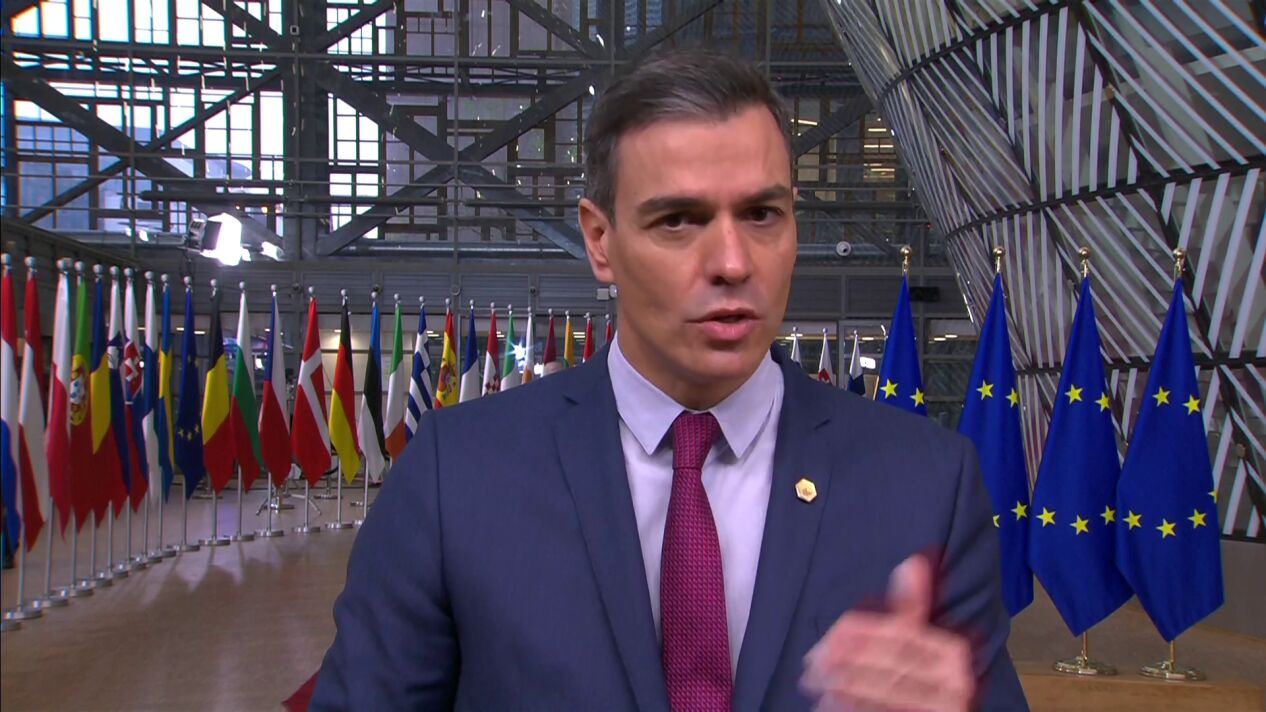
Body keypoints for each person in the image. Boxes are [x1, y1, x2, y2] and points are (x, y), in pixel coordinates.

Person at [311, 48, 1027, 711]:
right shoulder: (457, 475)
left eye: (762, 214)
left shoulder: (925, 485)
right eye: (679, 220)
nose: (733, 262)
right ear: (600, 241)